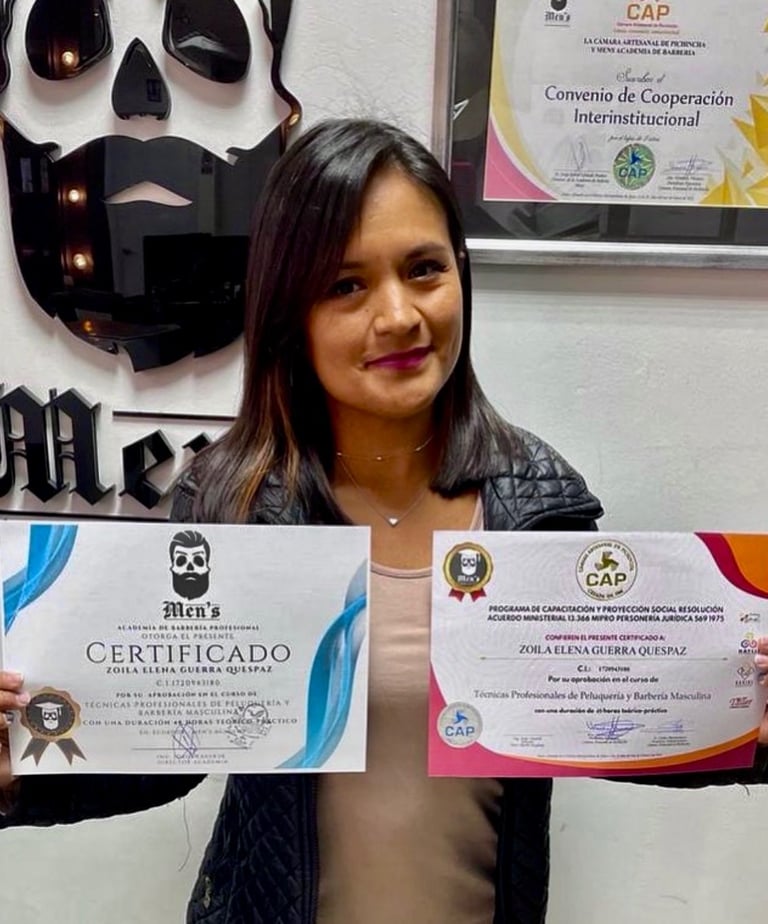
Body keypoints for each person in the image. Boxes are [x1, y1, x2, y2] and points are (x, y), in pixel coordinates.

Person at [1, 119, 767, 924]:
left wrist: (746, 714)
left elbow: (614, 713)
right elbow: (162, 744)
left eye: (424, 269)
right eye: (345, 286)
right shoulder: (235, 505)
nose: (399, 316)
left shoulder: (537, 505)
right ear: (288, 310)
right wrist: (15, 768)